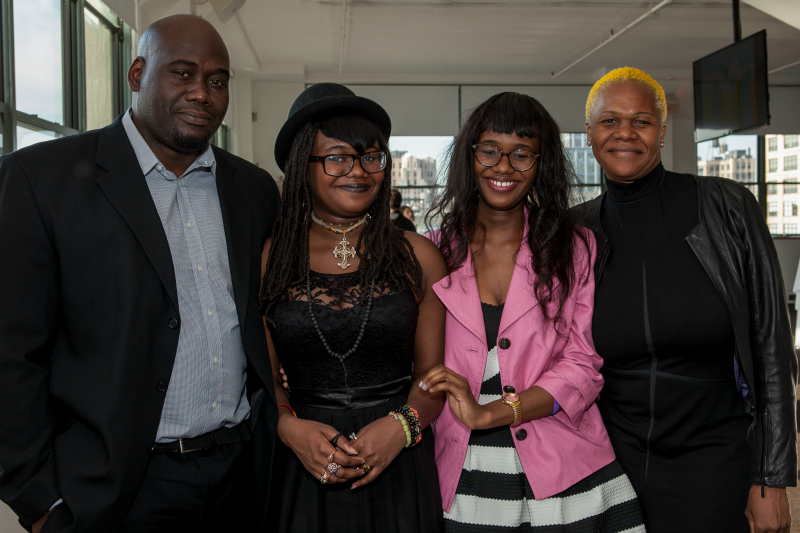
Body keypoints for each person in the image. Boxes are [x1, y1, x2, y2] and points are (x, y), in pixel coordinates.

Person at [0, 15, 280, 533]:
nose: (202, 93)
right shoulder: (40, 181)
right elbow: (12, 356)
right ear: (136, 74)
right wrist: (38, 501)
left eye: (217, 81)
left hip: (242, 474)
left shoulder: (254, 189)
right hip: (117, 487)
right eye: (182, 73)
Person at [573, 67, 797, 533]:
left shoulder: (726, 207)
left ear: (662, 130)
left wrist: (772, 478)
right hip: (609, 457)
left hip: (714, 455)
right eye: (610, 121)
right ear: (588, 132)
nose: (625, 133)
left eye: (641, 120)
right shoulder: (575, 230)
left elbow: (771, 348)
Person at [419, 92, 645, 532]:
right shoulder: (433, 250)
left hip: (564, 466)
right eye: (490, 151)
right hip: (462, 472)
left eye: (521, 154)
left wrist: (493, 413)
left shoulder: (575, 246)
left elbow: (582, 364)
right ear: (470, 155)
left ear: (542, 164)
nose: (503, 167)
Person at [261, 83, 448, 532]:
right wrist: (289, 428)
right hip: (303, 460)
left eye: (371, 157)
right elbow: (265, 381)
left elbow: (434, 376)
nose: (358, 171)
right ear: (302, 165)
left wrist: (401, 427)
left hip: (398, 456)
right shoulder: (271, 258)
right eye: (337, 157)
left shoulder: (418, 255)